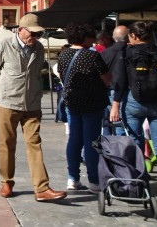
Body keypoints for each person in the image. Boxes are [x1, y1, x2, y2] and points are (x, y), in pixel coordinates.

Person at [0, 13, 66, 202]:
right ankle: (7, 181)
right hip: (7, 103)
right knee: (6, 144)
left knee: (35, 143)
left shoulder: (39, 48)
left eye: (39, 34)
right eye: (32, 33)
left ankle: (42, 188)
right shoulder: (5, 45)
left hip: (31, 104)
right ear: (20, 30)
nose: (35, 37)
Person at [109, 21, 157, 209]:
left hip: (134, 102)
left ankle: (142, 190)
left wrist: (115, 105)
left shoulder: (126, 52)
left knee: (136, 146)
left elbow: (120, 81)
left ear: (133, 36)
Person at [59, 23, 111, 193]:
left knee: (74, 140)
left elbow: (61, 76)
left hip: (72, 102)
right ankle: (94, 181)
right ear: (85, 37)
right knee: (91, 142)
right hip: (92, 103)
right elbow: (107, 79)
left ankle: (72, 178)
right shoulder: (92, 56)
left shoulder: (64, 54)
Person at [101, 25, 128, 135]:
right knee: (126, 124)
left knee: (115, 122)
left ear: (113, 37)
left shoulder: (106, 53)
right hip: (130, 90)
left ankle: (116, 148)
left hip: (111, 90)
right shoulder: (130, 50)